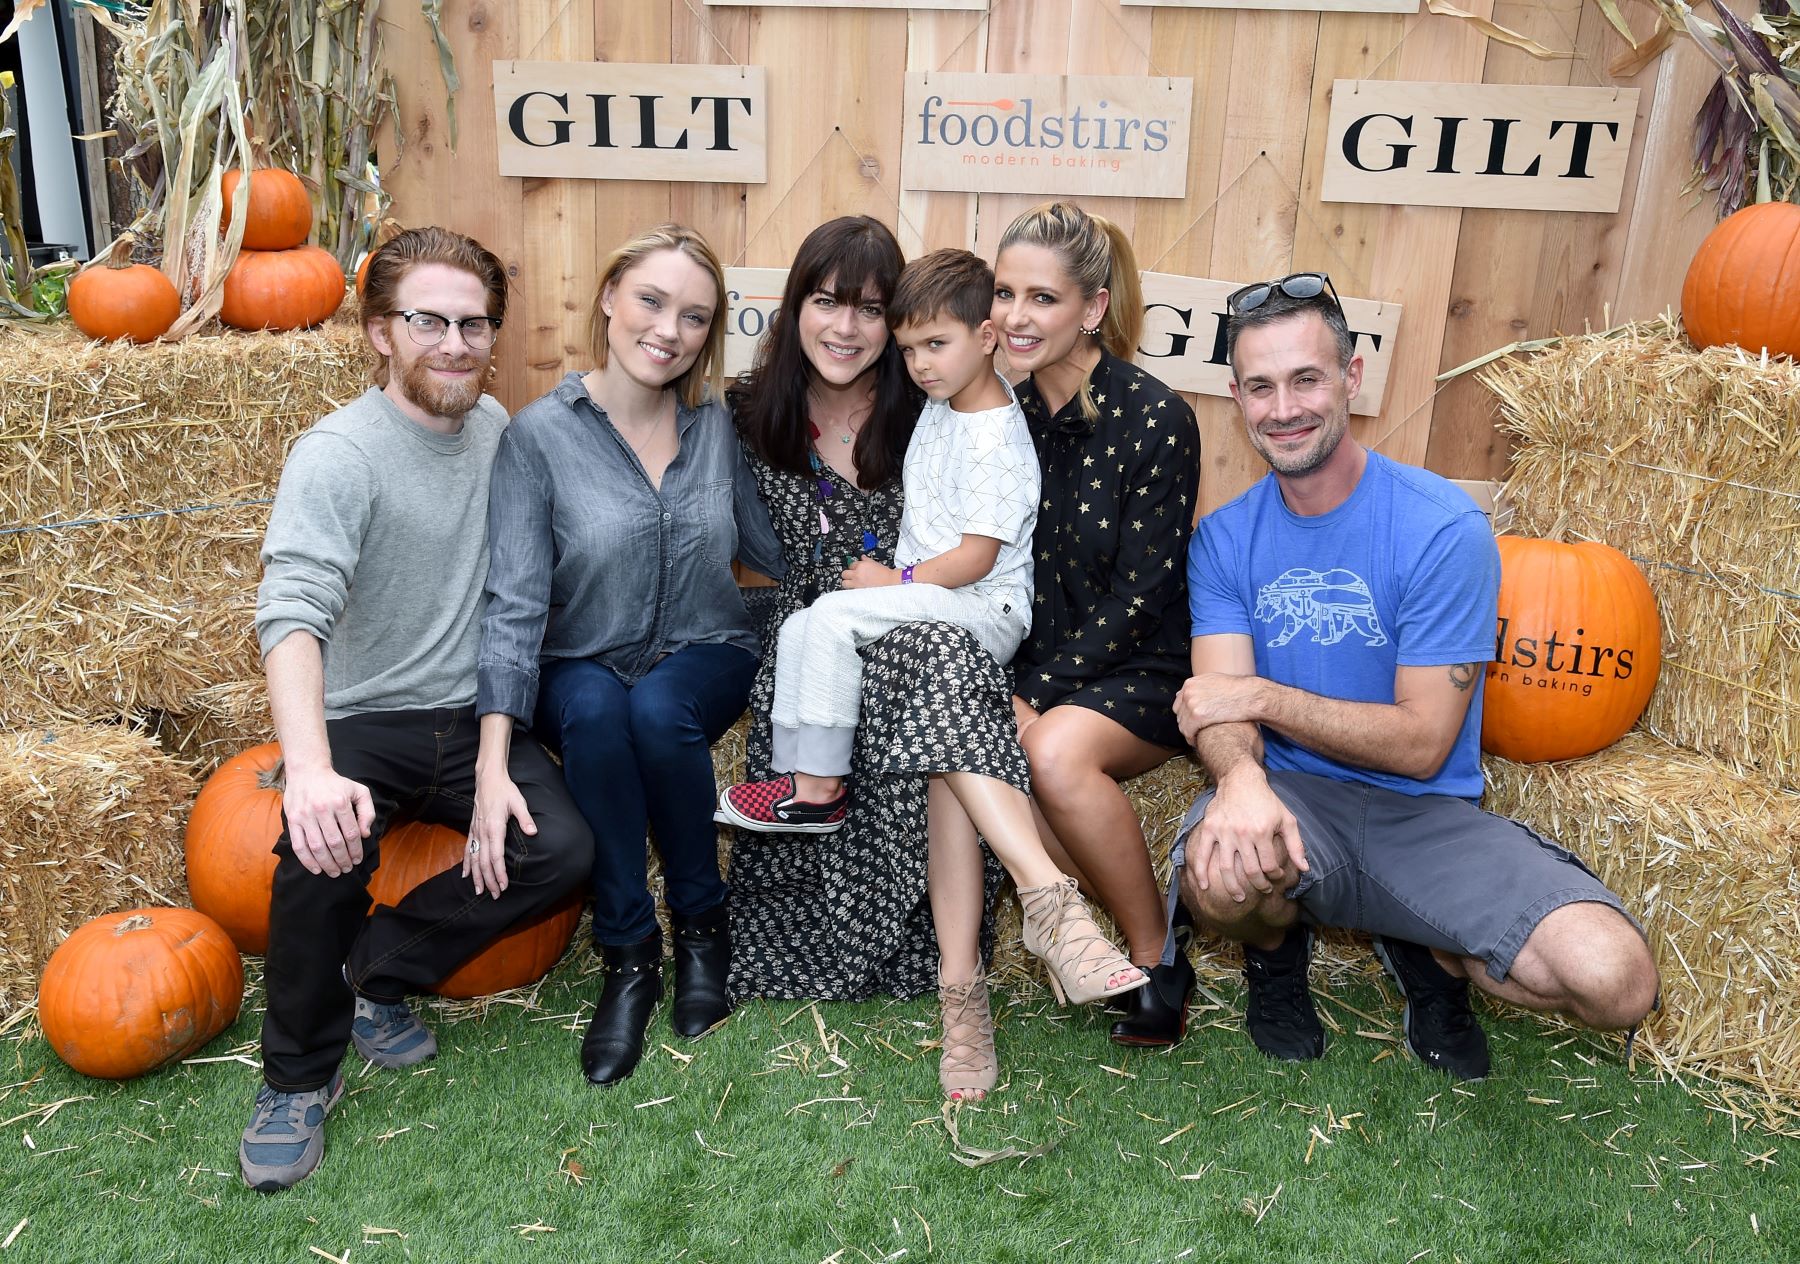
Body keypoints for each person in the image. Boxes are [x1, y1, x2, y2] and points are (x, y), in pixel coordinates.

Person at [1171, 271, 1660, 1080]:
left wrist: (1263, 696)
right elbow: (1221, 706)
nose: (1283, 408)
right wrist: (1240, 782)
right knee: (1218, 876)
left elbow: (1422, 744)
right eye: (1260, 387)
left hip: (1424, 815)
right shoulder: (1225, 540)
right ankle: (1275, 954)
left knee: (1616, 982)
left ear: (1352, 378)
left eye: (1306, 379)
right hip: (1299, 806)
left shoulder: (1443, 529)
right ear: (1236, 396)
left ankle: (1434, 949)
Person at [723, 247, 1146, 1098]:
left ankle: (987, 956)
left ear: (985, 337)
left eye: (919, 339)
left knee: (934, 669)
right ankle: (1034, 919)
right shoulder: (917, 408)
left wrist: (897, 585)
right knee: (922, 682)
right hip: (909, 631)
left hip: (956, 616)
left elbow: (980, 556)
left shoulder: (977, 423)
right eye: (911, 346)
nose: (914, 360)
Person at [240, 227, 593, 1191]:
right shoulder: (340, 456)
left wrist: (496, 754)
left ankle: (376, 969)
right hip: (369, 718)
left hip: (477, 717)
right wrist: (308, 769)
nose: (453, 343)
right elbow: (291, 613)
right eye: (427, 320)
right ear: (379, 333)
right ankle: (297, 1076)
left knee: (561, 850)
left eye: (473, 324)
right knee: (317, 851)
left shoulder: (499, 436)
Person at [475, 224, 784, 1088]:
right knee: (605, 711)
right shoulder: (538, 437)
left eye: (694, 315)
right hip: (578, 658)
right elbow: (513, 604)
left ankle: (701, 928)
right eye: (651, 301)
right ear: (609, 297)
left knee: (659, 708)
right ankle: (628, 956)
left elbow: (774, 548)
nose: (669, 330)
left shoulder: (719, 429)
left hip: (706, 646)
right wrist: (492, 761)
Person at [724, 216, 1019, 1016]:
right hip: (812, 630)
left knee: (921, 680)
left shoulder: (935, 409)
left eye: (870, 309)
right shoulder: (750, 416)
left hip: (924, 629)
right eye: (828, 302)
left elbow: (993, 544)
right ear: (795, 308)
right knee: (802, 660)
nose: (847, 328)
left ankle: (942, 955)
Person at [993, 201, 1204, 1047]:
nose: (1014, 316)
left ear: (1092, 307)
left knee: (1047, 748)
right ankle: (1089, 936)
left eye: (1041, 298)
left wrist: (1032, 694)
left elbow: (1144, 595)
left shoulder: (1157, 417)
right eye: (1004, 293)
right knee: (992, 746)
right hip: (1036, 659)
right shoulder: (997, 417)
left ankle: (1158, 954)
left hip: (1140, 665)